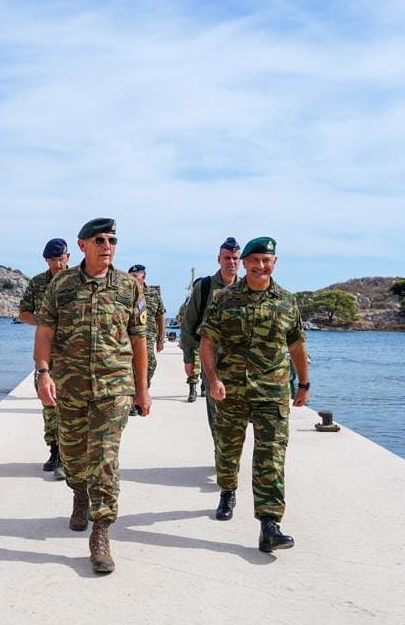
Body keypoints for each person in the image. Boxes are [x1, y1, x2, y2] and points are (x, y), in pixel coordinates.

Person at [34, 218, 150, 574]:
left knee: (104, 456)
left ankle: (101, 531)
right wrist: (42, 372)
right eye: (99, 239)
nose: (107, 245)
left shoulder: (129, 287)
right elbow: (44, 331)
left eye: (112, 239)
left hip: (114, 388)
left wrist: (142, 389)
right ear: (82, 245)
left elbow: (138, 340)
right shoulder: (62, 285)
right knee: (72, 454)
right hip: (71, 386)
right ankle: (79, 493)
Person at [199, 236, 309, 553]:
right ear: (245, 263)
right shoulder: (223, 298)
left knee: (271, 457)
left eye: (267, 261)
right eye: (256, 260)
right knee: (228, 450)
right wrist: (212, 379)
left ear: (275, 263)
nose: (262, 266)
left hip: (272, 391)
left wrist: (303, 384)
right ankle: (227, 489)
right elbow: (207, 341)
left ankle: (269, 525)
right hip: (230, 390)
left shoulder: (287, 301)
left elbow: (297, 344)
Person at [180, 236, 241, 459]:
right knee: (216, 410)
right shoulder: (204, 288)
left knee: (236, 413)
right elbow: (188, 324)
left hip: (239, 362)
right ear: (219, 259)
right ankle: (222, 454)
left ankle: (229, 453)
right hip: (210, 360)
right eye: (227, 258)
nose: (231, 262)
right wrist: (188, 358)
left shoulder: (246, 289)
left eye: (235, 258)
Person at [18, 238, 70, 479]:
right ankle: (55, 449)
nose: (58, 265)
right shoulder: (38, 283)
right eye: (53, 261)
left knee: (71, 405)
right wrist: (44, 321)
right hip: (48, 352)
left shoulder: (79, 279)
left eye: (61, 259)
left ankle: (67, 455)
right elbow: (24, 313)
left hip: (75, 353)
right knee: (49, 401)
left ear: (68, 258)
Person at [128, 264, 166, 397]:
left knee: (151, 364)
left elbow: (160, 316)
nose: (132, 279)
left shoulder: (153, 294)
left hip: (148, 337)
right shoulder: (126, 294)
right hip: (129, 337)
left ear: (143, 277)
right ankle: (133, 398)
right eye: (130, 277)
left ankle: (142, 390)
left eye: (135, 276)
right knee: (130, 367)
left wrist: (160, 339)